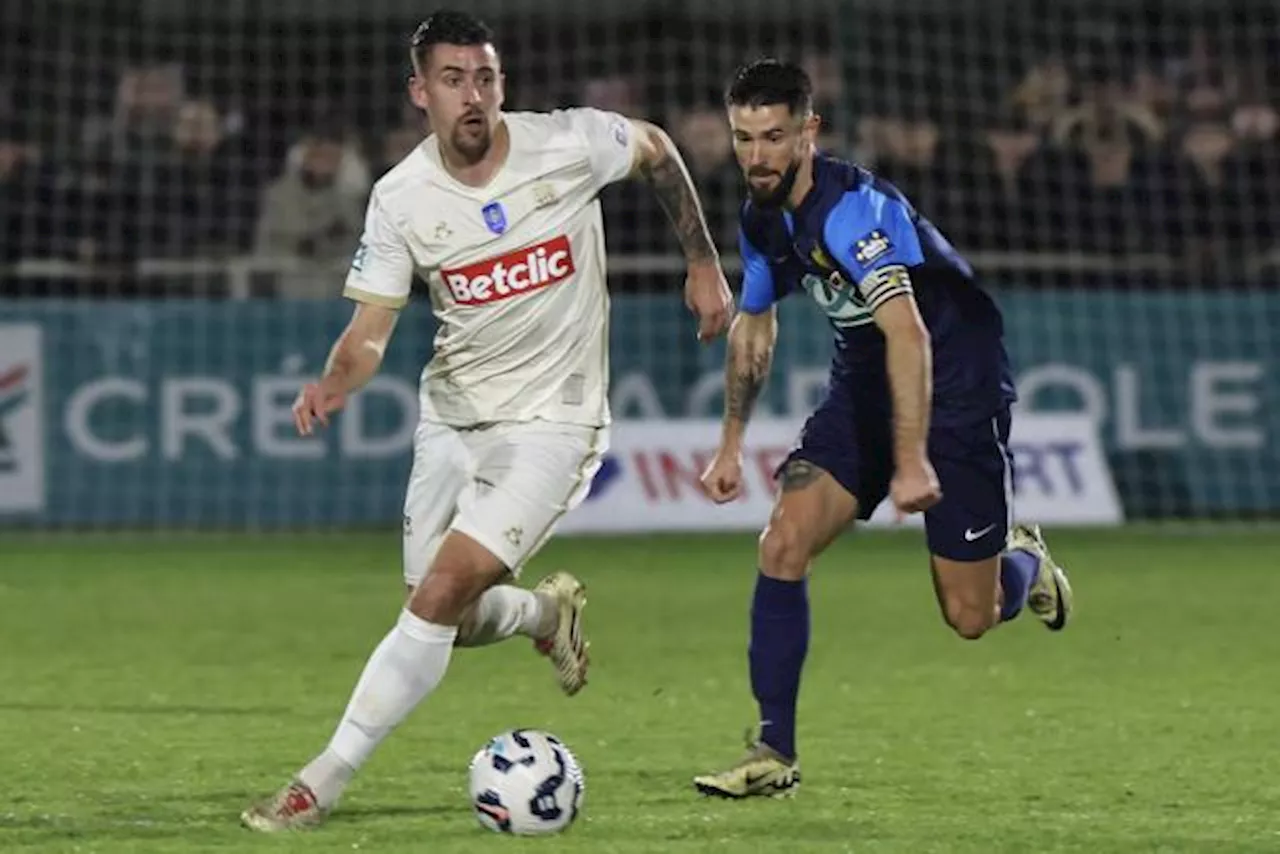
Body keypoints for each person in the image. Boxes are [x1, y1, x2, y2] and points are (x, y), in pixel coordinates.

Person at [241, 9, 732, 831]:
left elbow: (656, 147)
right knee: (450, 617)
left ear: (502, 82)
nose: (473, 95)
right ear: (419, 93)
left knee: (434, 599)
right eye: (453, 80)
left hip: (555, 422)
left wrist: (703, 258)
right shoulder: (400, 198)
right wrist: (335, 380)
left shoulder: (566, 144)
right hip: (453, 420)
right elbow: (369, 334)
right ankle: (545, 614)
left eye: (485, 78)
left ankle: (318, 782)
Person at [692, 58, 1073, 799]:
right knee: (783, 541)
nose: (758, 156)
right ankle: (773, 750)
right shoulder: (760, 218)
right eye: (744, 138)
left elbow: (910, 334)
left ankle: (1023, 564)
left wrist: (910, 461)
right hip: (865, 379)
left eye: (774, 136)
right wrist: (730, 442)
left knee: (970, 616)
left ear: (810, 130)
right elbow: (755, 326)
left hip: (954, 383)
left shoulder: (853, 211)